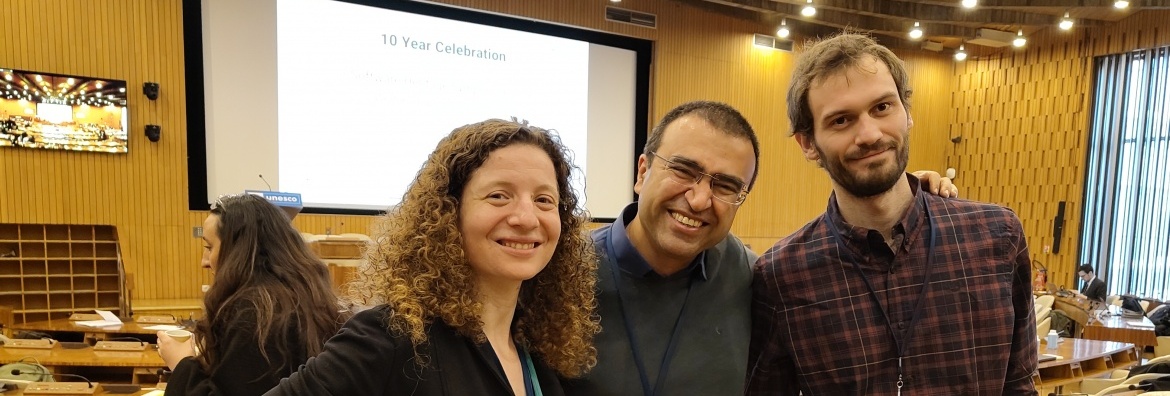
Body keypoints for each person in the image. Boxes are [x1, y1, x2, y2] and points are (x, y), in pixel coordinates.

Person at [564, 101, 959, 396]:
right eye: (683, 170)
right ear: (643, 171)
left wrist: (900, 197)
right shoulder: (558, 273)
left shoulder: (758, 280)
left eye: (725, 185)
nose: (700, 199)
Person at [746, 33, 1038, 395]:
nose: (869, 134)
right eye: (841, 120)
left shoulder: (997, 236)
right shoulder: (782, 275)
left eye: (882, 107)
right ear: (807, 144)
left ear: (907, 112)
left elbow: (1019, 387)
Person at [263, 119, 599, 395]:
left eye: (544, 200)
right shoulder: (393, 339)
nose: (527, 218)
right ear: (449, 212)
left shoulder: (538, 349)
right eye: (499, 196)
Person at [157, 194, 347, 396]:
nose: (204, 261)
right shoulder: (309, 299)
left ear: (239, 251)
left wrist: (181, 364)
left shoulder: (253, 314)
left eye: (209, 247)